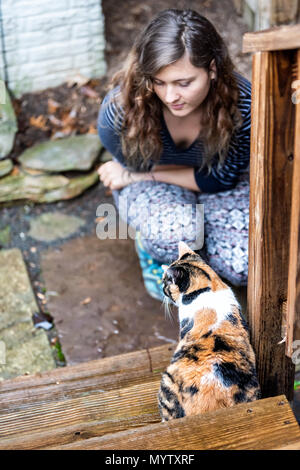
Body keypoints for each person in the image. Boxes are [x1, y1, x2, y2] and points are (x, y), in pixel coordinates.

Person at [97, 8, 251, 301]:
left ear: (213, 69)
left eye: (184, 83)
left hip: (214, 178)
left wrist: (134, 175)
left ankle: (193, 247)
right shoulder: (120, 112)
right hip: (156, 183)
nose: (170, 97)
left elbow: (223, 178)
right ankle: (152, 248)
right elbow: (132, 162)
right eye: (159, 81)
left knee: (240, 265)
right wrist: (139, 177)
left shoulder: (244, 106)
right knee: (175, 234)